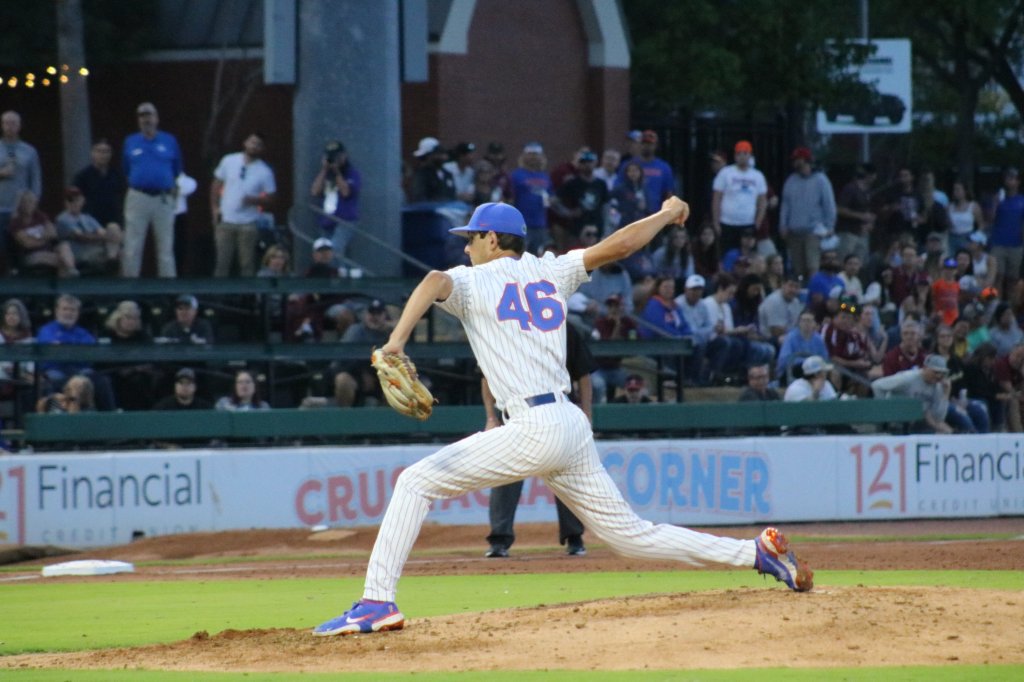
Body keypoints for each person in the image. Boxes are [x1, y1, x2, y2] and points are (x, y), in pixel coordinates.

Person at [312, 199, 812, 636]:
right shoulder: (550, 270)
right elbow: (618, 247)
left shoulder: (472, 280)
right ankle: (755, 554)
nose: (465, 248)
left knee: (415, 483)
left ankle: (377, 601)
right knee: (628, 536)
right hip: (568, 422)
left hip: (531, 425)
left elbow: (432, 280)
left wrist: (396, 341)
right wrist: (663, 215)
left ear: (491, 238)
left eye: (470, 238)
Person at [484, 323, 593, 558]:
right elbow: (485, 376)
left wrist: (587, 413)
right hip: (513, 413)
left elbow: (583, 374)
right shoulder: (504, 327)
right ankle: (499, 539)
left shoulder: (562, 325)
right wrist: (491, 416)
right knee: (505, 476)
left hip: (558, 411)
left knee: (567, 477)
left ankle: (574, 536)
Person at [122, 102, 182, 277]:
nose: (146, 119)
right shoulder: (131, 141)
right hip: (138, 197)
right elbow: (126, 170)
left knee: (165, 247)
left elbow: (177, 169)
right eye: (142, 116)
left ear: (156, 118)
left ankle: (168, 291)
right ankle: (130, 293)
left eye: (149, 115)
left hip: (163, 198)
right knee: (132, 246)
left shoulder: (169, 141)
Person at [211, 132, 277, 277]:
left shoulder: (264, 171)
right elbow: (216, 185)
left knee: (246, 264)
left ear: (262, 149)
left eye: (258, 144)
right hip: (226, 220)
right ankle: (218, 297)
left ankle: (247, 298)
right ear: (245, 143)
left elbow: (271, 198)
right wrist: (215, 209)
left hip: (248, 223)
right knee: (222, 262)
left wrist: (254, 200)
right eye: (252, 142)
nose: (254, 146)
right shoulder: (229, 160)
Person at [779, 146, 836, 280]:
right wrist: (783, 225)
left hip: (814, 230)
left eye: (797, 159)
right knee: (798, 268)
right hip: (794, 231)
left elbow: (829, 204)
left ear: (805, 160)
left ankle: (813, 294)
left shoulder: (821, 180)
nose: (794, 163)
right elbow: (785, 205)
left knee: (813, 266)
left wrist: (829, 227)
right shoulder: (791, 180)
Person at [0, 111, 42, 273]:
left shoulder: (29, 151)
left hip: (20, 208)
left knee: (19, 243)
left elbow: (35, 179)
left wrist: (33, 202)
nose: (10, 127)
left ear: (19, 126)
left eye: (13, 123)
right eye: (7, 123)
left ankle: (19, 273)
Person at [332, 299, 395, 407]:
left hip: (382, 377)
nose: (374, 317)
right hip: (357, 376)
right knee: (342, 380)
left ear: (385, 316)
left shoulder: (393, 333)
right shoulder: (355, 331)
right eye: (371, 313)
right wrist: (362, 372)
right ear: (365, 314)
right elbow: (342, 360)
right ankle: (343, 420)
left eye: (378, 314)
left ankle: (388, 421)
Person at [871, 354, 954, 434]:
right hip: (898, 423)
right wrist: (884, 414)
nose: (939, 376)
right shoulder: (908, 378)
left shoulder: (939, 385)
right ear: (925, 368)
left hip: (922, 423)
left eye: (942, 373)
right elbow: (877, 385)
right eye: (935, 372)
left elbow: (938, 418)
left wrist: (945, 395)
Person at [99, 300, 156, 411]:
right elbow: (102, 361)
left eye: (135, 318)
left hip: (136, 374)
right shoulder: (107, 335)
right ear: (118, 317)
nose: (131, 321)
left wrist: (133, 369)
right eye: (128, 317)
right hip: (113, 373)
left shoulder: (143, 337)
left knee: (139, 381)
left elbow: (149, 360)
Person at [712, 140, 767, 254]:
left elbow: (762, 201)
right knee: (727, 255)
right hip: (727, 223)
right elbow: (717, 198)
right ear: (735, 156)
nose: (742, 156)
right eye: (739, 153)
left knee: (747, 256)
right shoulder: (725, 173)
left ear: (750, 156)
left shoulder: (758, 176)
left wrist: (757, 223)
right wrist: (716, 222)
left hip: (748, 223)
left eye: (745, 153)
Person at [310, 140, 362, 260]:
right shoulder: (325, 174)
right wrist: (324, 170)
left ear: (344, 155)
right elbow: (315, 191)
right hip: (327, 219)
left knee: (334, 250)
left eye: (337, 156)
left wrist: (337, 171)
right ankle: (332, 274)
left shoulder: (352, 173)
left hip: (345, 219)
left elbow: (346, 192)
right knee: (323, 252)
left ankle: (337, 276)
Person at [8, 189, 78, 276]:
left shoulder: (40, 216)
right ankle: (67, 276)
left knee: (64, 245)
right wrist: (45, 238)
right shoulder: (16, 223)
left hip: (48, 249)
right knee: (60, 260)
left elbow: (53, 233)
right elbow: (27, 244)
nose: (30, 205)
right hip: (29, 255)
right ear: (21, 205)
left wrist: (36, 238)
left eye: (32, 202)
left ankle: (71, 269)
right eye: (27, 202)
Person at [55, 186, 122, 275]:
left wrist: (111, 235)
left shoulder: (88, 218)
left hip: (96, 250)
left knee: (113, 227)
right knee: (63, 246)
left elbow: (102, 232)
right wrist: (106, 237)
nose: (74, 203)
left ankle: (112, 261)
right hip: (78, 253)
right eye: (70, 200)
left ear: (82, 201)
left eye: (77, 199)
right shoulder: (63, 219)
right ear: (65, 202)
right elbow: (81, 237)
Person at [72, 138, 126, 236]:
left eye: (106, 152)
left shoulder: (117, 175)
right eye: (99, 151)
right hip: (91, 223)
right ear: (92, 153)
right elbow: (75, 200)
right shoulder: (82, 176)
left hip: (114, 222)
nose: (103, 155)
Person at [615, 130, 675, 217]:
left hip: (654, 215)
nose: (646, 146)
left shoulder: (664, 167)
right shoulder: (628, 165)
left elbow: (668, 194)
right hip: (631, 215)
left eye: (650, 144)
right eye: (644, 143)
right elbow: (618, 188)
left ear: (656, 146)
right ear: (639, 144)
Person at [510, 142, 552, 253]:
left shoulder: (545, 176)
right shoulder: (516, 175)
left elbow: (551, 198)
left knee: (539, 255)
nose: (533, 157)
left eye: (536, 154)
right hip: (522, 224)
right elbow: (510, 198)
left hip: (541, 224)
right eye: (530, 154)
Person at [989, 167, 1024, 295]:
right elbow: (990, 219)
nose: (1009, 181)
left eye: (1012, 178)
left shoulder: (1022, 200)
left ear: (1018, 181)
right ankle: (994, 305)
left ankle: (1010, 307)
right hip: (998, 243)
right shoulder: (999, 198)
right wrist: (995, 204)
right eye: (1007, 178)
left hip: (1016, 244)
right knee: (997, 276)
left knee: (1012, 279)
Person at [834, 163, 876, 262]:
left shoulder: (866, 192)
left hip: (861, 233)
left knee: (858, 264)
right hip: (847, 233)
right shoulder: (850, 189)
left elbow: (866, 211)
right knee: (844, 262)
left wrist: (869, 222)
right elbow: (840, 209)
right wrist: (861, 216)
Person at [776, 310, 828, 381]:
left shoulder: (818, 339)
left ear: (814, 323)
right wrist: (807, 362)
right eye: (803, 320)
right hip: (791, 370)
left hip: (814, 370)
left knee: (832, 373)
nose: (806, 323)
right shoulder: (790, 338)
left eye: (809, 321)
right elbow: (785, 360)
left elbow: (824, 357)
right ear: (799, 323)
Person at [758, 274, 803, 345]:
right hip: (767, 339)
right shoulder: (774, 301)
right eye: (790, 286)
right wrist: (797, 333)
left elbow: (796, 324)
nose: (793, 290)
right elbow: (775, 331)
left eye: (796, 287)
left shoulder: (795, 302)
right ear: (783, 285)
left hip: (788, 335)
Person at [409, 137, 456, 203]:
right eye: (438, 153)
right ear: (428, 156)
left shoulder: (447, 174)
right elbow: (419, 198)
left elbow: (452, 196)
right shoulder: (422, 174)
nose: (442, 156)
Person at [947, 179, 984, 255]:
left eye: (958, 189)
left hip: (967, 238)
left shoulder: (973, 206)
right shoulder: (949, 207)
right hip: (952, 238)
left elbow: (981, 225)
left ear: (965, 191)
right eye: (954, 189)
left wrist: (975, 239)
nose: (956, 192)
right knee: (951, 262)